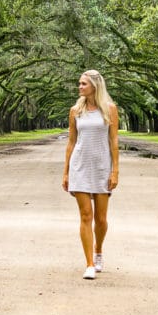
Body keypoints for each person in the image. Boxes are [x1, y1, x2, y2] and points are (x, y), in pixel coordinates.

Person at [62, 69, 120, 280]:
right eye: (79, 83)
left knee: (101, 219)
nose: (80, 87)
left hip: (102, 167)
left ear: (95, 85)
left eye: (83, 84)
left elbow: (114, 141)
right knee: (86, 215)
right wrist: (66, 171)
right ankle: (88, 264)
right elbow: (71, 142)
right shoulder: (75, 110)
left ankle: (98, 251)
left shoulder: (110, 110)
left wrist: (115, 171)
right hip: (80, 167)